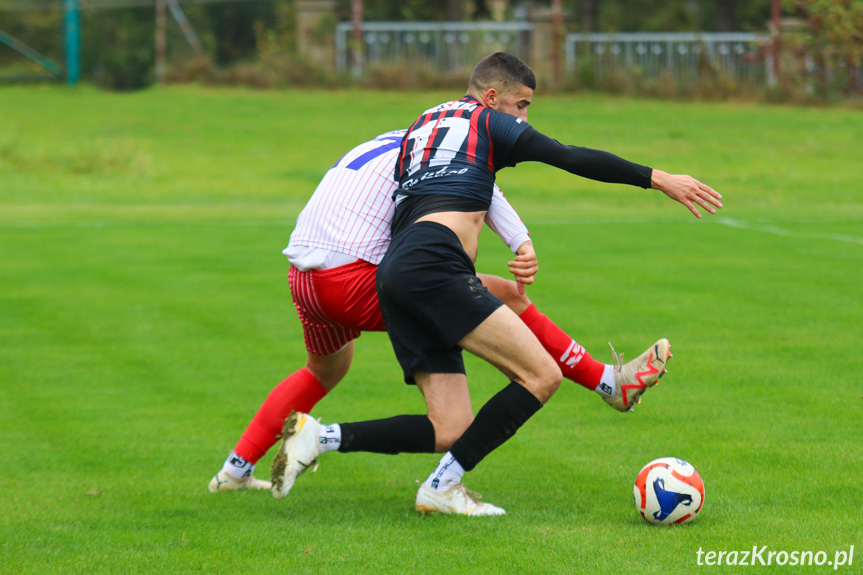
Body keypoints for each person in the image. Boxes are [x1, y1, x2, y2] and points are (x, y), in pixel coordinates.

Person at [272, 52, 722, 515]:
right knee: (540, 376)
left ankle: (321, 437)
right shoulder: (489, 122)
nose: (524, 118)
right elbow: (568, 156)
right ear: (491, 98)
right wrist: (658, 178)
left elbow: (461, 188)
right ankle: (444, 486)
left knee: (449, 426)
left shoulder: (424, 125)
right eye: (521, 105)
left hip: (395, 275)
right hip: (434, 268)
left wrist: (519, 239)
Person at [208, 129, 671, 493]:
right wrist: (520, 241)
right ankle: (610, 382)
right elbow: (485, 193)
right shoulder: (441, 148)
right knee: (505, 295)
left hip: (305, 278)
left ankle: (235, 469)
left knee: (325, 370)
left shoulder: (395, 139)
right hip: (348, 278)